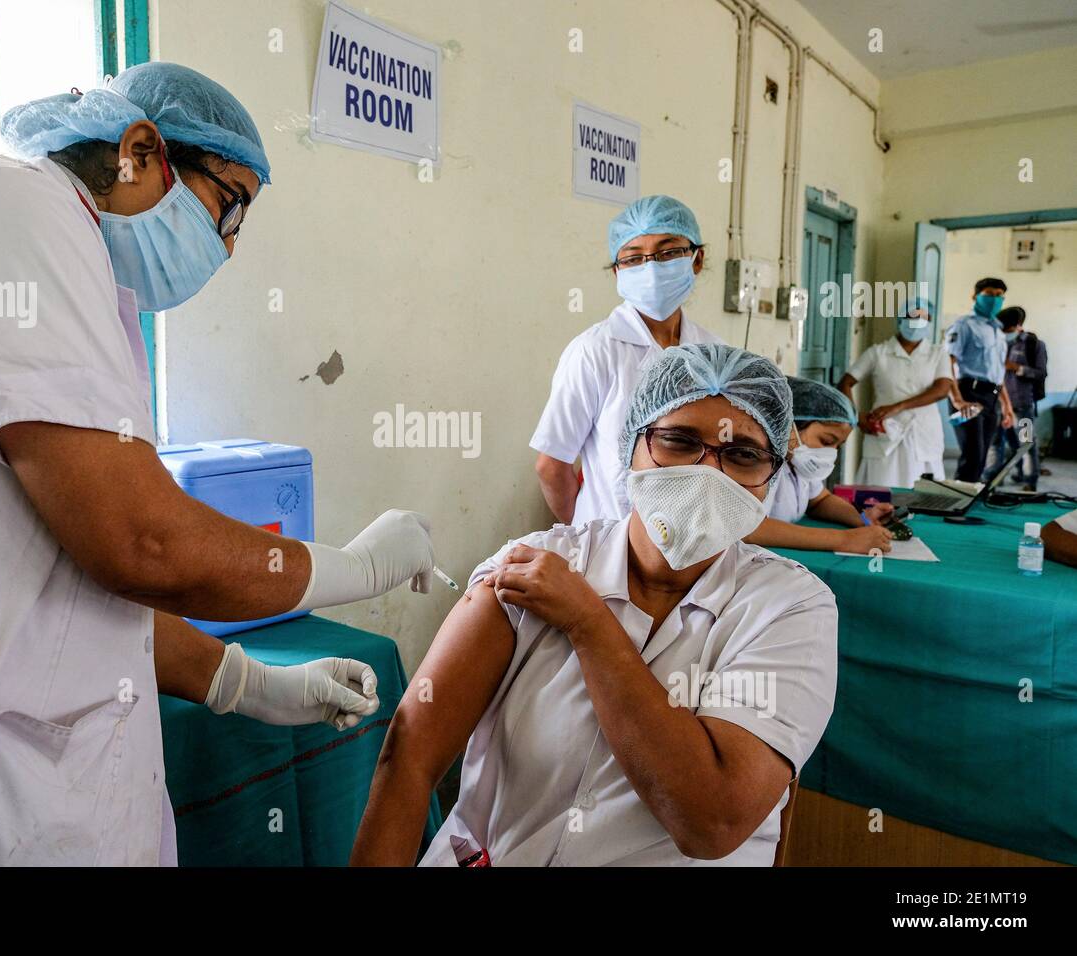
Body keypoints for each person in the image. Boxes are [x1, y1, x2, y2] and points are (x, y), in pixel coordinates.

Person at [0, 62, 438, 865]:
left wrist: (246, 683)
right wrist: (360, 566)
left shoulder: (72, 276)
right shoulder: (9, 202)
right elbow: (141, 542)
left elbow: (80, 575)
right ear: (140, 150)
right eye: (228, 205)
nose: (228, 249)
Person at [351, 344, 838, 867]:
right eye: (678, 441)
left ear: (770, 475)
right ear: (630, 446)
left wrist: (588, 624)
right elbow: (409, 757)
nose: (709, 473)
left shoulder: (790, 610)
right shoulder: (536, 565)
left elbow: (711, 823)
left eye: (741, 454)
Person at [531, 195, 722, 526]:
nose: (651, 269)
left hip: (695, 540)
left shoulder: (713, 351)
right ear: (617, 271)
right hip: (612, 545)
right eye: (634, 258)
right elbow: (552, 465)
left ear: (696, 258)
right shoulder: (595, 351)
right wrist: (590, 535)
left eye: (669, 252)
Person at [745, 377, 893, 554]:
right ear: (787, 425)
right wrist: (844, 540)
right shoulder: (755, 462)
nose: (832, 452)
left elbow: (820, 501)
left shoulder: (797, 462)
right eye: (827, 441)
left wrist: (862, 518)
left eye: (838, 445)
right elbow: (750, 528)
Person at [838, 297, 954, 487]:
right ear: (900, 319)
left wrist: (897, 407)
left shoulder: (938, 353)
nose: (917, 322)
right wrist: (857, 417)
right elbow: (845, 383)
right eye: (911, 316)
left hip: (923, 434)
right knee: (880, 492)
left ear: (930, 322)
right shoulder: (878, 353)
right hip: (884, 433)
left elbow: (941, 389)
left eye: (923, 317)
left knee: (925, 494)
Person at [945, 277, 1016, 482]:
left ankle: (971, 503)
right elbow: (947, 363)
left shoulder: (998, 332)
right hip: (968, 393)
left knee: (983, 457)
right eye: (988, 294)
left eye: (999, 296)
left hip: (991, 397)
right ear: (975, 296)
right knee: (972, 456)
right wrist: (957, 400)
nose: (994, 299)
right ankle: (958, 508)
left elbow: (997, 373)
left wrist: (1007, 406)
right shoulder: (964, 325)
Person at [986, 307, 1047, 491]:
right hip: (996, 404)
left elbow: (1041, 373)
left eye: (1006, 330)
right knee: (994, 443)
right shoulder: (996, 343)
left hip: (1022, 404)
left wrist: (1016, 367)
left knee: (1025, 443)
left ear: (1017, 326)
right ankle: (991, 479)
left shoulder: (1034, 344)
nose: (1003, 333)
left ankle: (1029, 480)